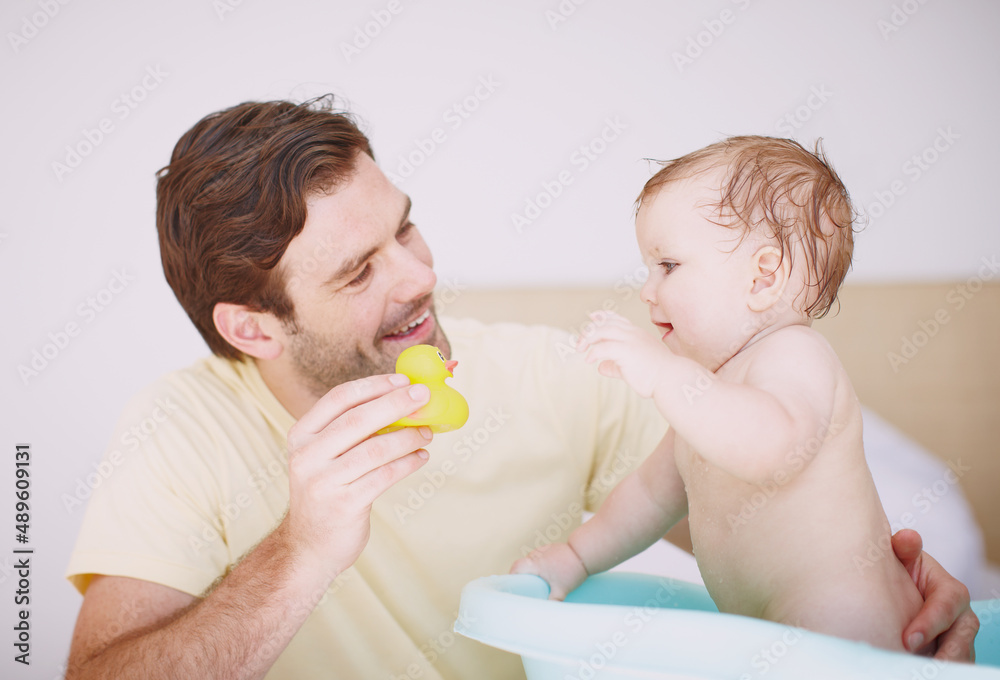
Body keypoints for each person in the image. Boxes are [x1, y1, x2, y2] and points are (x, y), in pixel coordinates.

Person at [64, 100, 977, 679]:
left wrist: (904, 594)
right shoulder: (177, 431)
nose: (418, 277)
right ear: (252, 327)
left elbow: (770, 495)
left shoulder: (556, 375)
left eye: (407, 230)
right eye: (358, 273)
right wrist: (302, 550)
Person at [510, 136, 962, 652]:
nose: (647, 290)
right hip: (775, 635)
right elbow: (651, 495)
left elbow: (773, 450)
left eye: (669, 266)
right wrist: (577, 555)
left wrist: (663, 375)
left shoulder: (795, 354)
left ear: (762, 277)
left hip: (849, 629)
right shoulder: (708, 390)